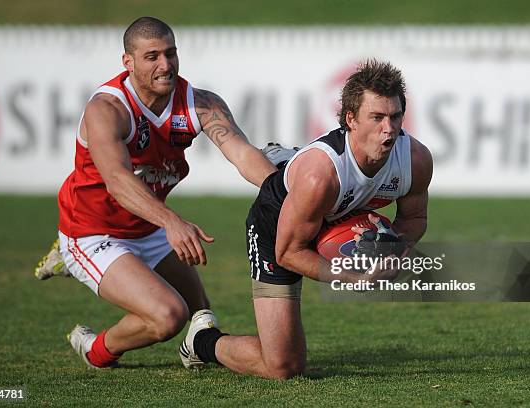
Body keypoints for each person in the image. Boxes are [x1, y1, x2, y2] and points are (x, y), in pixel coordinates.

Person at [179, 59, 433, 379]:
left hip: (332, 214)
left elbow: (415, 218)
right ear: (351, 120)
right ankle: (201, 341)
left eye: (396, 117)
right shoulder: (322, 174)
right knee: (284, 367)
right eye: (377, 117)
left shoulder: (415, 158)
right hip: (277, 226)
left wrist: (395, 251)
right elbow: (288, 252)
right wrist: (352, 277)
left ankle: (285, 161)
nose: (389, 128)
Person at [52, 16, 278, 369]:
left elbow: (243, 154)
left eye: (170, 53)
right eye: (152, 56)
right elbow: (117, 180)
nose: (165, 65)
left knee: (200, 314)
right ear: (128, 62)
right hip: (93, 231)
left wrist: (282, 191)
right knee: (168, 316)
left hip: (147, 226)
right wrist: (172, 222)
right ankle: (95, 348)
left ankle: (193, 351)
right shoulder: (107, 109)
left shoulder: (200, 103)